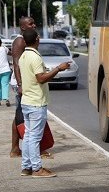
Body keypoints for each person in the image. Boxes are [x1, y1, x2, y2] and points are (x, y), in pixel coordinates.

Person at [19, 28, 70, 178]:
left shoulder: (24, 55)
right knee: (34, 137)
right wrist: (58, 69)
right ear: (37, 40)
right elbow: (40, 78)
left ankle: (26, 167)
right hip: (36, 102)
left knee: (29, 136)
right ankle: (37, 169)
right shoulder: (34, 57)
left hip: (27, 101)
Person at [10, 17, 36, 158]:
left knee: (23, 115)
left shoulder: (27, 39)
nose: (34, 25)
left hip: (26, 82)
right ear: (23, 27)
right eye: (30, 23)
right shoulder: (20, 41)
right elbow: (16, 63)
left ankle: (18, 148)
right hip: (21, 84)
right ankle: (15, 148)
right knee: (21, 115)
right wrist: (21, 84)